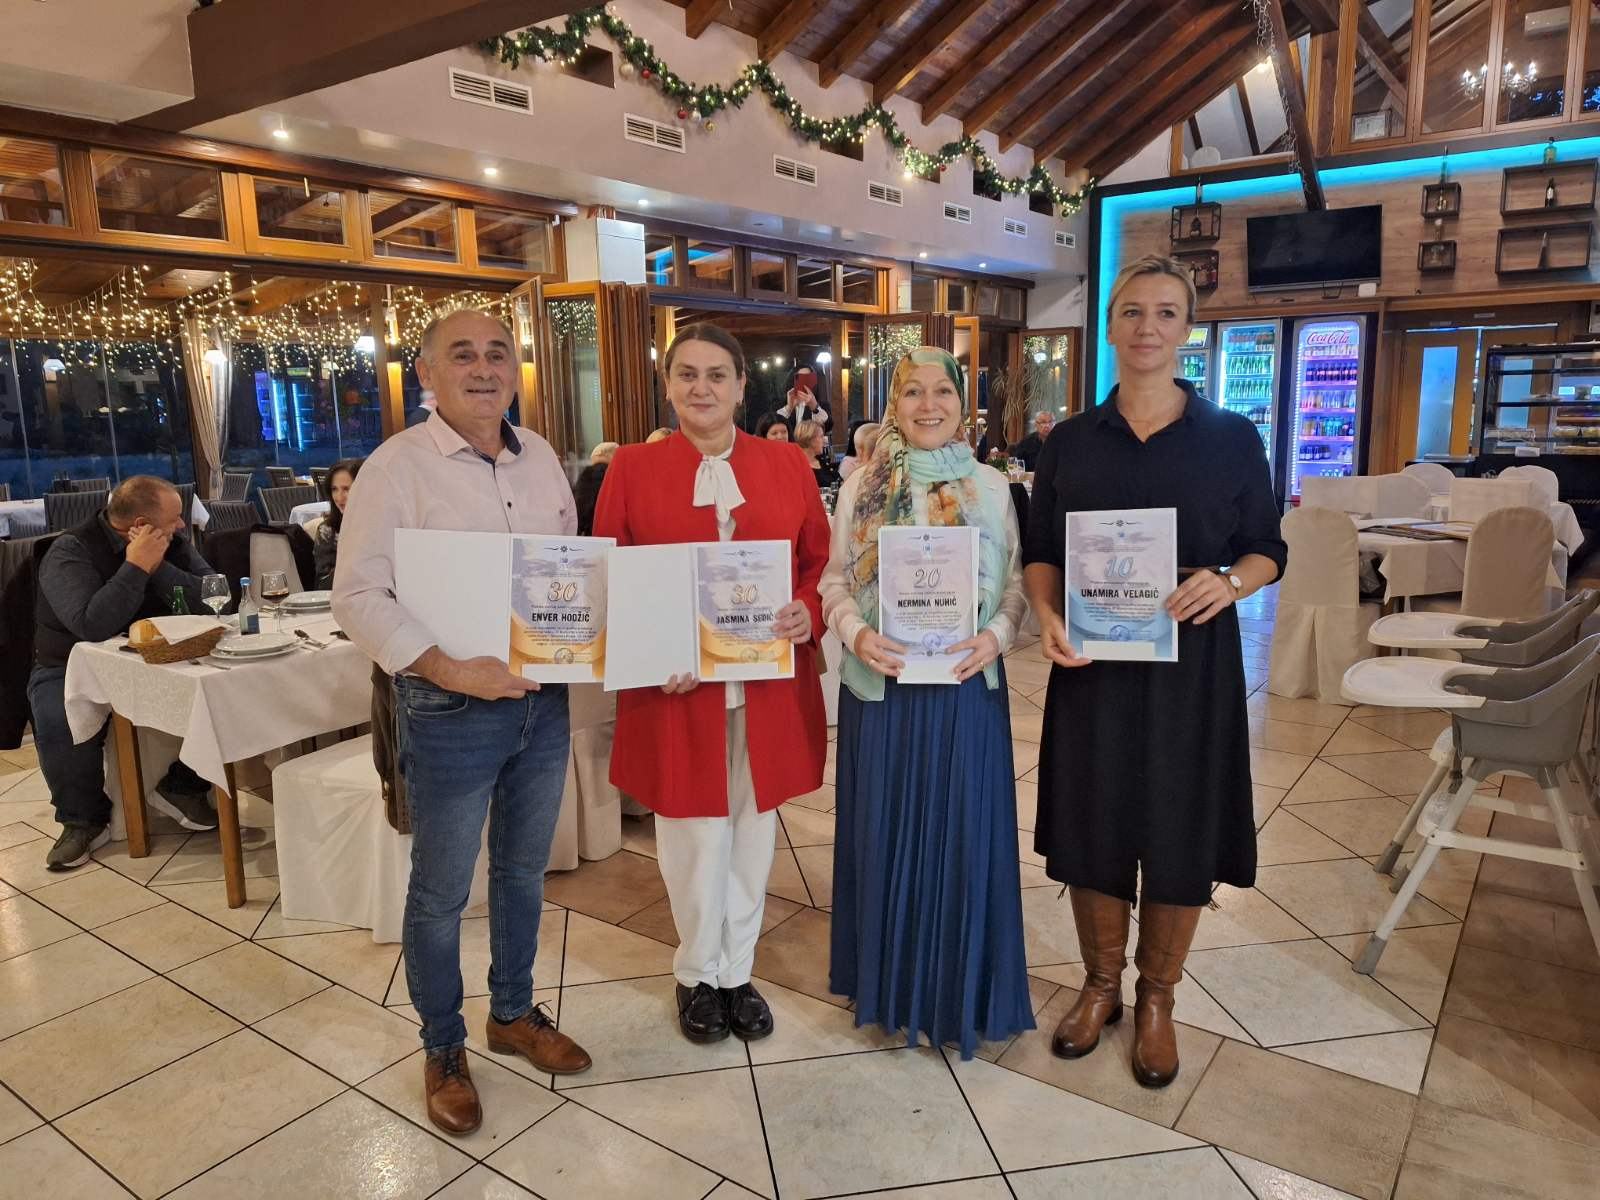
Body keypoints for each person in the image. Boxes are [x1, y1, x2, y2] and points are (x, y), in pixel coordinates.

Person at [1023, 255, 1285, 1089]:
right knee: (1093, 817)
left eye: (1166, 312)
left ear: (1188, 328)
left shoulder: (1231, 438)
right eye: (1132, 311)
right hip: (1093, 663)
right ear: (1109, 325)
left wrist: (1230, 581)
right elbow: (1040, 551)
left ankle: (1158, 997)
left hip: (1192, 665)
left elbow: (1267, 547)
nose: (1147, 327)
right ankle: (1100, 984)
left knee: (1180, 821)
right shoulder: (1069, 442)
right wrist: (1047, 615)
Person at [333, 309, 591, 1137]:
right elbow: (356, 596)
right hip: (447, 709)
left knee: (523, 872)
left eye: (497, 354)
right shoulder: (395, 467)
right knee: (441, 892)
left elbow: (569, 573)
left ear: (515, 369)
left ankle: (511, 1013)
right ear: (428, 373)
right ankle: (443, 1046)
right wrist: (447, 667)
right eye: (463, 355)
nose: (483, 369)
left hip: (541, 704)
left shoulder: (541, 456)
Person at [594, 323, 829, 1047]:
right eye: (687, 374)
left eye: (717, 374)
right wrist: (648, 650)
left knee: (753, 831)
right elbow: (610, 572)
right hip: (678, 690)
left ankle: (738, 971)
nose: (702, 388)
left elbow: (818, 564)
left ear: (740, 386)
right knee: (692, 835)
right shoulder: (632, 467)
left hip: (767, 683)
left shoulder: (785, 463)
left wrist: (808, 610)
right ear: (667, 385)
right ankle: (697, 971)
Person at [821, 348, 1032, 1059]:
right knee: (884, 836)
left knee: (964, 838)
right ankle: (889, 991)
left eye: (943, 390)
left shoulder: (991, 486)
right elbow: (833, 580)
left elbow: (1015, 585)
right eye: (913, 391)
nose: (929, 404)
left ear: (962, 404)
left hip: (965, 689)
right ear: (894, 403)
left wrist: (996, 637)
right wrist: (856, 633)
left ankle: (958, 996)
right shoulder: (863, 485)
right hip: (881, 688)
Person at [31, 476, 220, 870]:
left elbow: (214, 597)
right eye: (174, 517)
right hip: (70, 663)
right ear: (140, 524)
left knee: (224, 686)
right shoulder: (70, 551)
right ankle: (81, 820)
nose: (181, 525)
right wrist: (135, 566)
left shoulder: (171, 542)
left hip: (156, 656)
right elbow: (91, 625)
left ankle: (182, 786)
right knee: (55, 714)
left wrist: (158, 566)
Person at [312, 458, 361, 589]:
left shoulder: (381, 528)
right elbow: (323, 584)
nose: (339, 497)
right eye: (334, 489)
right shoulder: (328, 531)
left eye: (346, 489)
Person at [775, 366, 831, 434]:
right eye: (801, 378)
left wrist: (815, 407)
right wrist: (789, 407)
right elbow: (774, 425)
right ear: (793, 381)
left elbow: (828, 426)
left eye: (808, 378)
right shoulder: (780, 404)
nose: (804, 382)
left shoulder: (822, 405)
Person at [795, 419, 840, 490]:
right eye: (821, 436)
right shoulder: (797, 467)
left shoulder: (823, 461)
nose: (825, 440)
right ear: (810, 439)